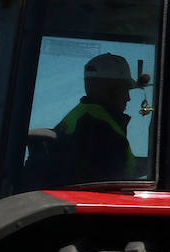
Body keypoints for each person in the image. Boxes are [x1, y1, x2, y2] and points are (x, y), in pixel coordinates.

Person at [53, 53, 142, 181]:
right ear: (110, 88)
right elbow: (113, 178)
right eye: (125, 90)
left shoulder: (83, 116)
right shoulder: (98, 127)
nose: (128, 98)